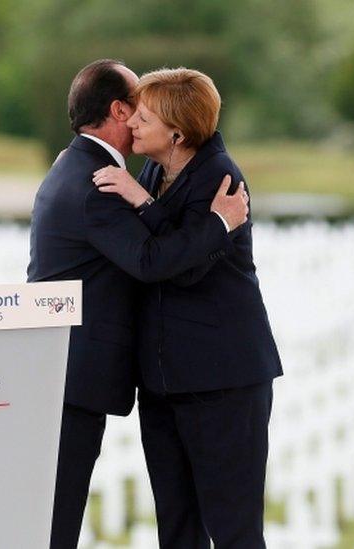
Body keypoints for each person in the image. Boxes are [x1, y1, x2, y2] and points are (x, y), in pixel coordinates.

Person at [27, 59, 250, 549]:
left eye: (148, 115)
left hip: (185, 373)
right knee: (56, 522)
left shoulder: (82, 165)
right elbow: (150, 260)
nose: (136, 122)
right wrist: (217, 225)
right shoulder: (100, 182)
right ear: (117, 109)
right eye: (136, 111)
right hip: (78, 377)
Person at [92, 67, 283, 549]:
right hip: (164, 381)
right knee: (176, 529)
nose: (131, 121)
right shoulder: (158, 168)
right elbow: (151, 248)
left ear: (177, 132)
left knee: (233, 527)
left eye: (144, 116)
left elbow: (184, 267)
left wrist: (142, 202)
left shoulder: (221, 178)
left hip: (222, 380)